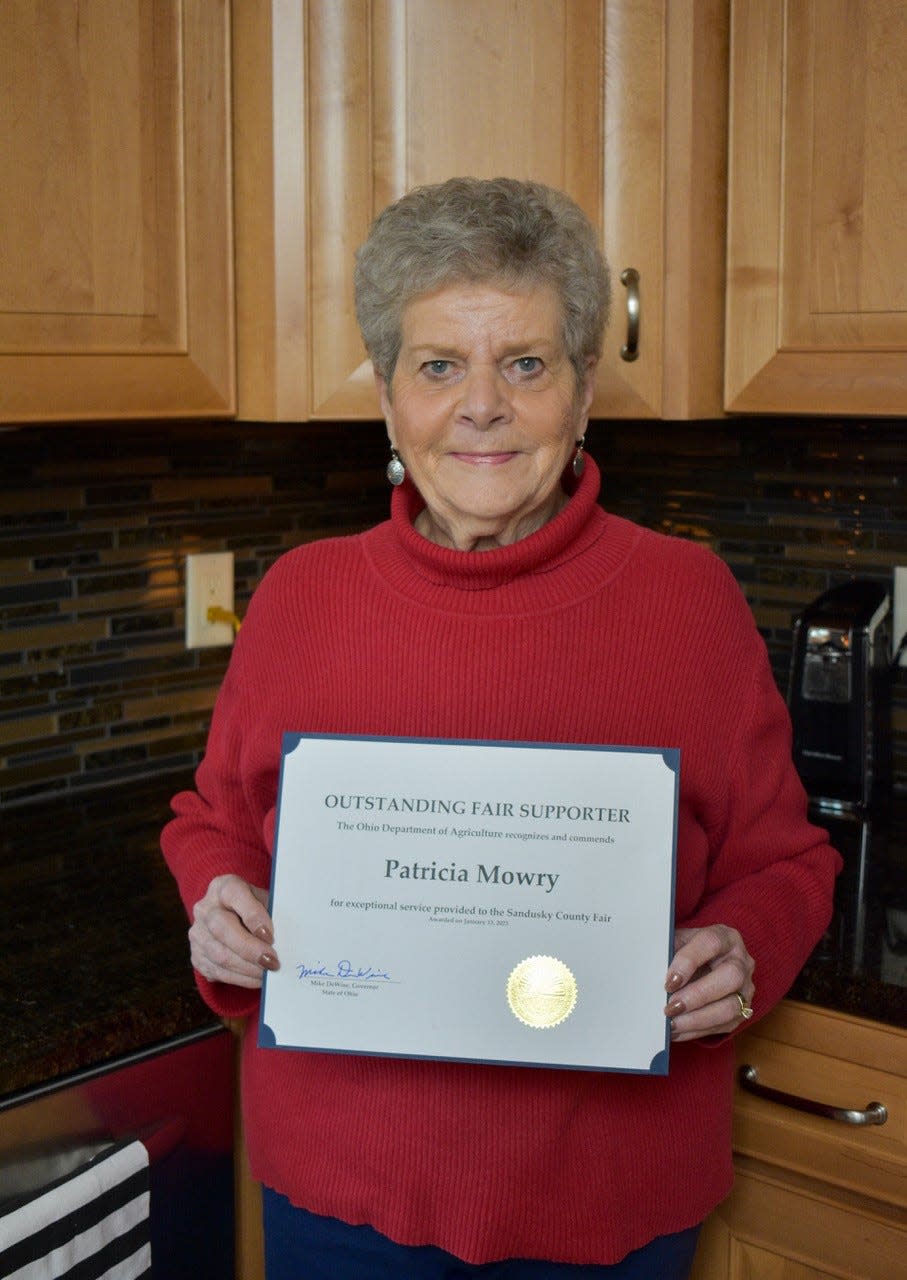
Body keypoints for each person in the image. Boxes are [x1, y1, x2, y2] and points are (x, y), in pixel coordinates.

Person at [161, 177, 840, 1279]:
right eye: (439, 366)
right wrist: (220, 902)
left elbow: (785, 853)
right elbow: (214, 819)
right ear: (387, 396)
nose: (482, 404)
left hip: (610, 1189)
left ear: (580, 398)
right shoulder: (299, 595)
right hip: (343, 1184)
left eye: (524, 363)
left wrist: (743, 944)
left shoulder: (688, 597)